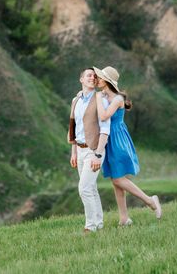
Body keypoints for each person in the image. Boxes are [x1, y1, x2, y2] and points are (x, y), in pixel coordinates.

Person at [93, 66, 162, 226]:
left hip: (118, 140)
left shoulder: (117, 99)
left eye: (100, 77)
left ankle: (150, 201)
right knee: (116, 180)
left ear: (107, 81)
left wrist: (97, 98)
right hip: (110, 140)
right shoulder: (104, 95)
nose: (97, 79)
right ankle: (124, 218)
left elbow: (103, 116)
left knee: (118, 179)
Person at [68, 67, 111, 233]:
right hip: (79, 150)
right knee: (91, 188)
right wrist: (74, 151)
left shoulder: (101, 100)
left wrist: (98, 154)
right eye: (88, 75)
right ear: (81, 79)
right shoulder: (76, 100)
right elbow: (73, 127)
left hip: (94, 150)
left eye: (94, 76)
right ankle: (99, 223)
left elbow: (105, 129)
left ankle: (90, 226)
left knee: (84, 188)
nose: (92, 77)